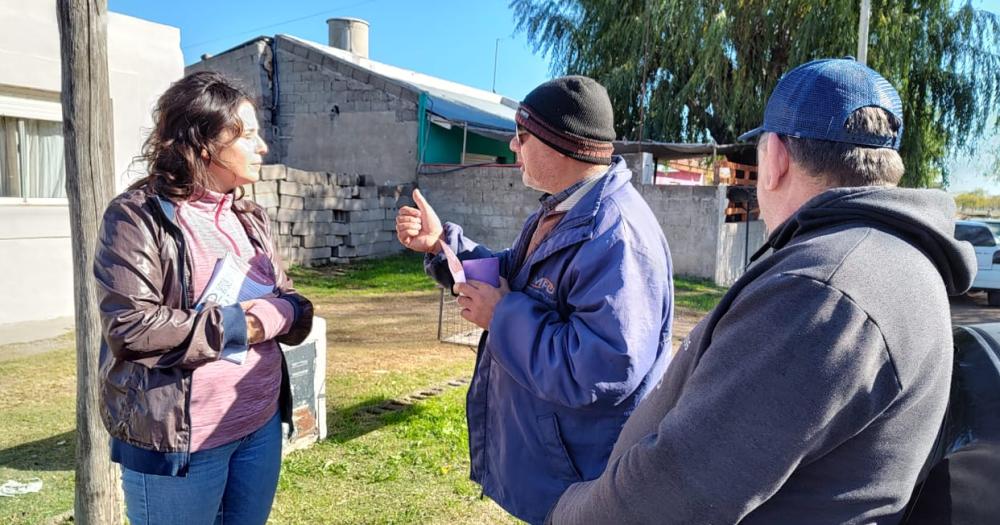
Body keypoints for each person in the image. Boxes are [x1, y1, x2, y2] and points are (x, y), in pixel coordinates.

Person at [545, 58, 979, 524]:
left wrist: (565, 513)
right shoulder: (888, 261)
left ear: (775, 158)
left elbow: (679, 488)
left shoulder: (823, 289)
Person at [396, 76, 674, 524]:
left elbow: (604, 367)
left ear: (561, 146)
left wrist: (502, 315)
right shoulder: (563, 208)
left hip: (586, 478)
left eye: (523, 136)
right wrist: (441, 246)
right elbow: (515, 275)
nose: (513, 144)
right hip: (558, 465)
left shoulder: (616, 234)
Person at [94, 71, 313, 525]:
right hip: (181, 442)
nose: (262, 146)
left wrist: (286, 311)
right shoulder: (137, 216)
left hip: (258, 424)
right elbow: (132, 329)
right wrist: (249, 323)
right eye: (247, 134)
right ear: (202, 143)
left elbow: (289, 303)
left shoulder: (250, 217)